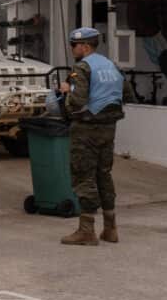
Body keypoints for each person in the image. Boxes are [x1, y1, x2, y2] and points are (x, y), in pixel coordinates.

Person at [57, 27, 138, 246]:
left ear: (84, 46)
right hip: (109, 128)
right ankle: (110, 229)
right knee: (104, 175)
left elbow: (77, 101)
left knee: (84, 175)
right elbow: (127, 94)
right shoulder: (111, 65)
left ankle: (86, 231)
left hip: (86, 129)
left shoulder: (82, 68)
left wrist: (66, 91)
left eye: (74, 45)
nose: (72, 49)